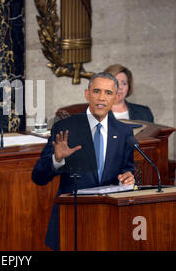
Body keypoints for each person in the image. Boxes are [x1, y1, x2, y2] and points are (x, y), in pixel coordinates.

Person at [32, 72, 135, 251]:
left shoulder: (124, 132)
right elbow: (38, 177)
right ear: (87, 94)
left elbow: (128, 170)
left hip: (108, 221)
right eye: (96, 91)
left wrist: (128, 178)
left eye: (108, 93)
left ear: (115, 98)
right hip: (71, 221)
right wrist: (57, 160)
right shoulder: (65, 128)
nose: (101, 98)